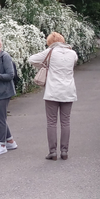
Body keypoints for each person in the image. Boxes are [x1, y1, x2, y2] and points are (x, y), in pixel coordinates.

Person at [28, 32, 78, 160]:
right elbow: (74, 63)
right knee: (65, 121)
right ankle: (65, 151)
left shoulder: (50, 52)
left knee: (51, 122)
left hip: (53, 91)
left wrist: (45, 64)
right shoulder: (73, 53)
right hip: (68, 91)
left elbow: (31, 59)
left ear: (50, 42)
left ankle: (53, 152)